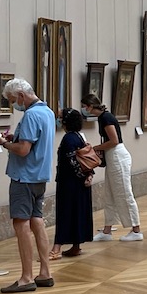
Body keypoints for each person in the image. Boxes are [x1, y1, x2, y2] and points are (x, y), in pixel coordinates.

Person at [0, 78, 56, 293]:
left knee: (21, 224)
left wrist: (5, 144)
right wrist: (16, 138)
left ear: (21, 95)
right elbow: (33, 141)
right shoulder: (47, 111)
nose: (14, 105)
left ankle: (26, 277)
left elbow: (23, 150)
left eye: (13, 100)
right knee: (37, 220)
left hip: (24, 177)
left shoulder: (30, 115)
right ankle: (45, 272)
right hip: (40, 176)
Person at [83, 92, 142, 242]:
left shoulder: (106, 118)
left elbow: (114, 140)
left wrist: (95, 148)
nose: (84, 109)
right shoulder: (103, 117)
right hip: (112, 156)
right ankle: (107, 230)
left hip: (117, 156)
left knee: (124, 192)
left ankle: (136, 229)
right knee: (109, 193)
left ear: (90, 106)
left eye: (85, 106)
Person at [51, 108, 93, 259]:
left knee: (65, 213)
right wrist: (87, 176)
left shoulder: (68, 138)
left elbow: (72, 162)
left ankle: (56, 248)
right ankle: (76, 245)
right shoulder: (78, 136)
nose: (59, 119)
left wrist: (82, 176)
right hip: (79, 183)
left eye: (61, 117)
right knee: (77, 213)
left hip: (69, 183)